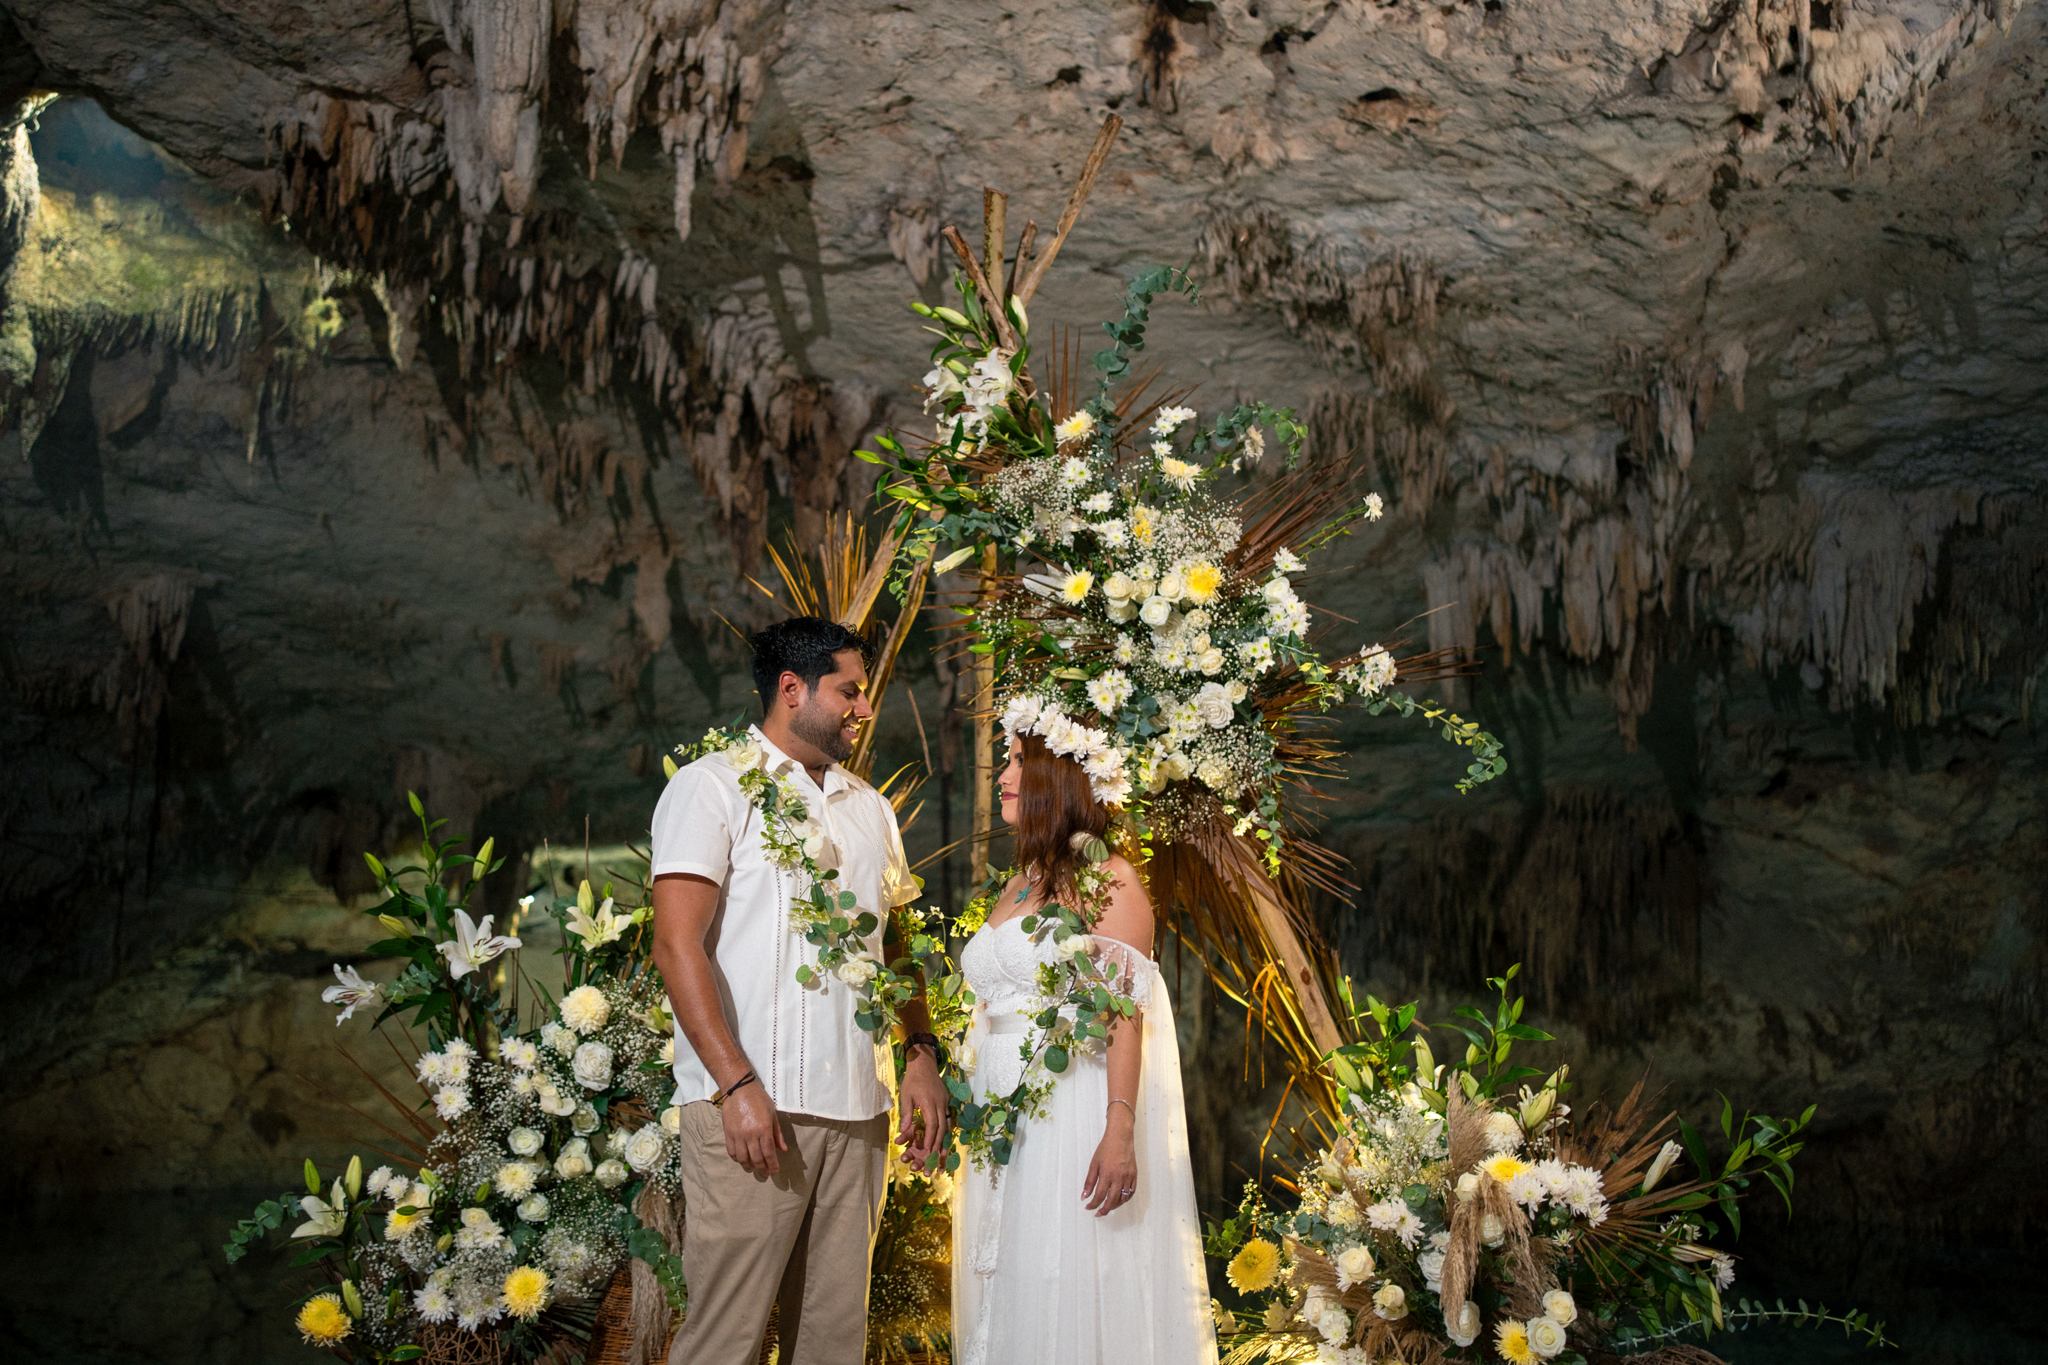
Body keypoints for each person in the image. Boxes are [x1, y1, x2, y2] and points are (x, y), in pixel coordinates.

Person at [650, 615, 950, 1365]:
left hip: (859, 1114)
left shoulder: (870, 807)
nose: (862, 707)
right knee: (725, 1340)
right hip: (754, 1111)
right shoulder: (712, 787)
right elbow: (676, 943)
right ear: (792, 688)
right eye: (850, 691)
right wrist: (737, 1083)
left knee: (832, 1342)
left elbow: (894, 944)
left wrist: (918, 1052)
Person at [950, 732, 1218, 1365]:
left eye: (1018, 762)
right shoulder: (1021, 882)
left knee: (1059, 1273)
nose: (1003, 775)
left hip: (1065, 1110)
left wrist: (1119, 1127)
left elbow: (1126, 1013)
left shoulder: (1110, 879)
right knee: (1007, 1277)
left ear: (1058, 776)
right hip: (999, 1114)